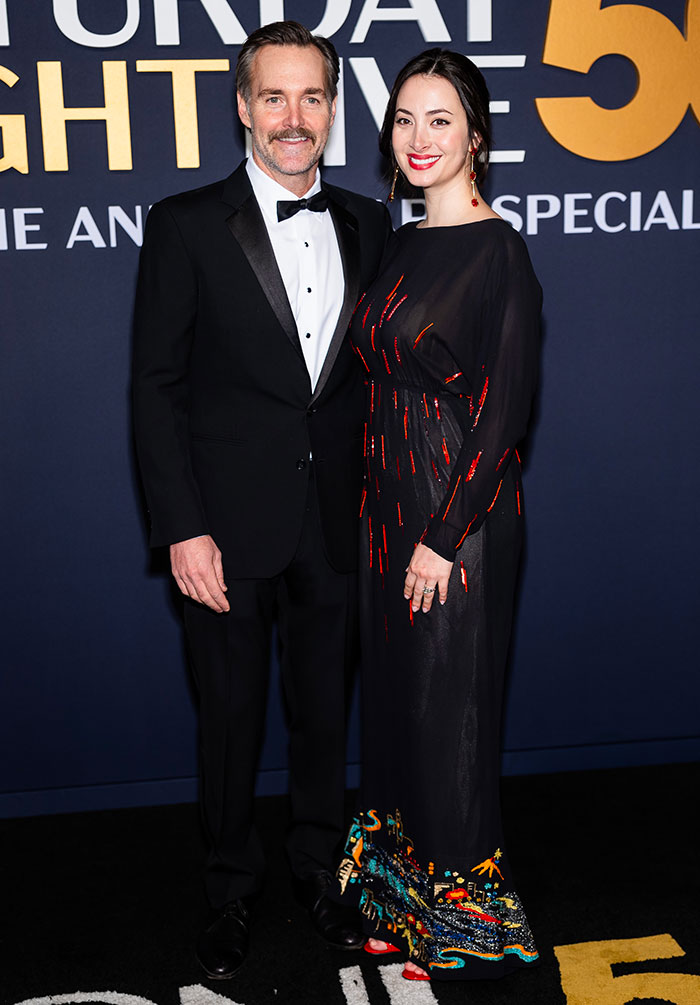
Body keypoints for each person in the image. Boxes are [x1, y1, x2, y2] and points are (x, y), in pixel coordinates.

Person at [132, 20, 391, 981]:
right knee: (231, 719)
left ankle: (319, 875)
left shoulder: (370, 221)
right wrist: (181, 527)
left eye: (312, 97)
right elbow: (155, 386)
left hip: (338, 522)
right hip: (226, 531)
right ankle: (230, 892)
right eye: (272, 97)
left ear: (333, 107)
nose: (294, 118)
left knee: (326, 717)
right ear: (242, 108)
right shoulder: (185, 224)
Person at [335, 49, 542, 982]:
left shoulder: (500, 250)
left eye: (441, 121)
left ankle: (464, 918)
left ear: (478, 137)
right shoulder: (398, 239)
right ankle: (397, 898)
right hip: (385, 513)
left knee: (448, 709)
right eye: (405, 120)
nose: (418, 139)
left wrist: (444, 533)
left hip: (458, 514)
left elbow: (503, 416)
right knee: (394, 710)